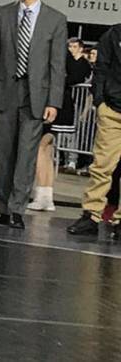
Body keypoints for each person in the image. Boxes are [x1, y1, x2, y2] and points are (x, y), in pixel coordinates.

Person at [0, 0, 67, 230]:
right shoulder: (4, 14)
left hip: (35, 96)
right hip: (5, 92)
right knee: (3, 154)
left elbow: (57, 65)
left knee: (26, 154)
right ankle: (3, 209)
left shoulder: (55, 19)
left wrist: (54, 101)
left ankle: (17, 209)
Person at [69, 22, 121, 240]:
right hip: (112, 108)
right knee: (101, 165)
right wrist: (100, 101)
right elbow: (101, 67)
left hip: (111, 104)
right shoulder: (115, 33)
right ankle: (91, 215)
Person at [29, 38, 92, 212]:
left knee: (40, 147)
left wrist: (54, 84)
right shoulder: (61, 53)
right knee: (46, 149)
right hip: (58, 103)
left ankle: (42, 195)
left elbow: (78, 74)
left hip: (52, 103)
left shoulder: (55, 52)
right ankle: (46, 196)